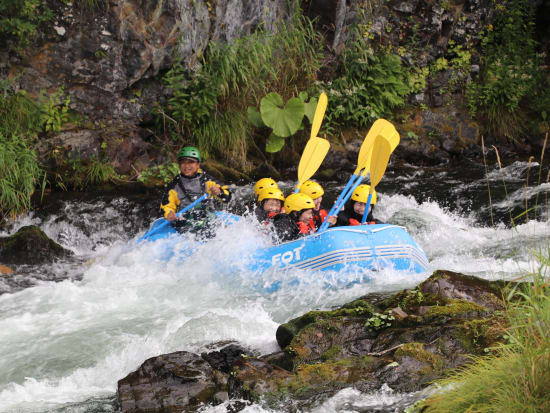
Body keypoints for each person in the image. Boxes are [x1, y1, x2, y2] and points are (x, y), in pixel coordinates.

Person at [160, 146, 231, 237]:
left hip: (208, 220)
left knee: (209, 224)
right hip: (185, 224)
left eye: (191, 162)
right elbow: (166, 206)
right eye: (183, 162)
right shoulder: (174, 186)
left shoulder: (208, 180)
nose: (187, 166)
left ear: (198, 164)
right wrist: (169, 213)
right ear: (179, 165)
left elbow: (228, 196)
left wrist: (219, 192)